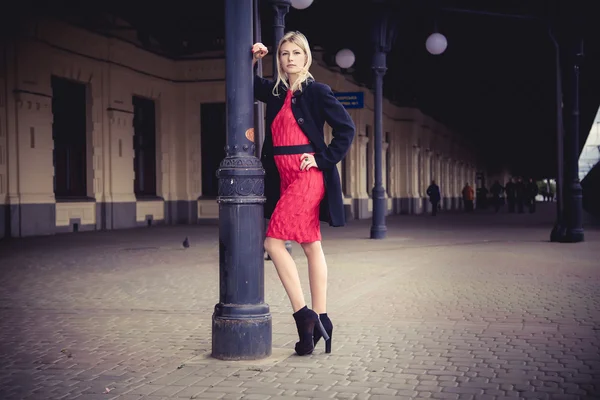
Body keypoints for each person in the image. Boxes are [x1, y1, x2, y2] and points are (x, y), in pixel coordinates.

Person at [252, 32, 356, 356]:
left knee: (272, 243)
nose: (289, 59)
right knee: (311, 245)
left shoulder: (317, 91)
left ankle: (303, 315)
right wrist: (252, 59)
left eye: (296, 53)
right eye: (284, 53)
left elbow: (346, 129)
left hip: (308, 177)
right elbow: (244, 84)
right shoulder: (274, 92)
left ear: (306, 57)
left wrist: (322, 159)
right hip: (283, 179)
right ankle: (322, 318)